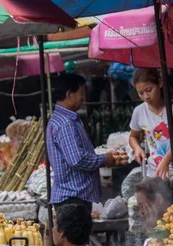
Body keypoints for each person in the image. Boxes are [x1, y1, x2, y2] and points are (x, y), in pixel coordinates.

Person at [47, 74, 126, 209]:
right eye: (81, 93)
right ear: (69, 94)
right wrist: (104, 159)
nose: (83, 98)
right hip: (73, 197)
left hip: (74, 196)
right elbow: (77, 159)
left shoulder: (62, 119)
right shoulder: (65, 123)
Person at [129, 68, 173, 190]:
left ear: (160, 83)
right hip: (156, 176)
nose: (146, 96)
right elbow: (133, 136)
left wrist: (165, 161)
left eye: (149, 90)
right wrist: (137, 148)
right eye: (141, 93)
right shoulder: (139, 111)